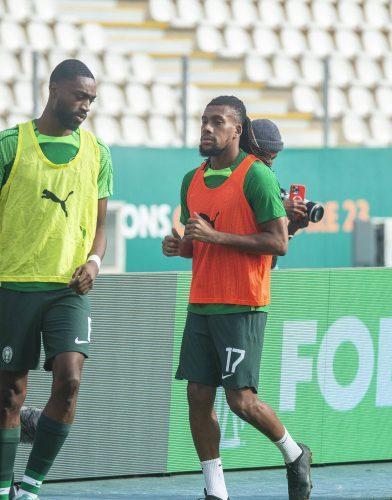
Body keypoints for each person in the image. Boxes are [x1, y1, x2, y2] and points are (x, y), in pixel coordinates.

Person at [0, 59, 113, 500]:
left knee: (70, 381)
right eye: (79, 96)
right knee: (11, 394)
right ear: (54, 90)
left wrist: (95, 263)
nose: (86, 106)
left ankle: (30, 488)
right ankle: (0, 492)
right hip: (15, 286)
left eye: (92, 99)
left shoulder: (99, 153)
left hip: (69, 289)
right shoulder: (9, 144)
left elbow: (101, 227)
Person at [161, 96, 313, 500]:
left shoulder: (256, 176)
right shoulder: (191, 180)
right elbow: (198, 244)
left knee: (240, 401)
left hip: (242, 303)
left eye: (218, 122)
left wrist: (215, 237)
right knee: (197, 395)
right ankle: (216, 490)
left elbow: (278, 242)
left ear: (237, 131)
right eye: (204, 121)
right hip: (201, 302)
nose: (207, 129)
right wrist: (182, 246)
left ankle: (295, 454)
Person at [250, 118, 308, 269]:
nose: (269, 162)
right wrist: (278, 209)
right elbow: (234, 227)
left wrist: (291, 228)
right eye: (265, 156)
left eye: (273, 157)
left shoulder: (267, 183)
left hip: (258, 284)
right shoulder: (232, 179)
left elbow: (270, 261)